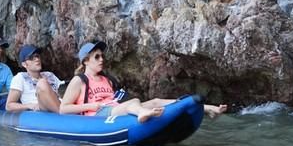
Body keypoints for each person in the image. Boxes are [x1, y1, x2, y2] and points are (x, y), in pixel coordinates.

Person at [60, 41, 228, 122]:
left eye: (102, 56)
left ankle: (207, 108)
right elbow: (63, 109)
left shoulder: (107, 79)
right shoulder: (79, 81)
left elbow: (116, 100)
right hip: (98, 115)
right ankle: (141, 113)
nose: (102, 59)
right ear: (86, 61)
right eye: (97, 57)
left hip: (114, 109)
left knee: (156, 101)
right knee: (134, 102)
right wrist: (92, 106)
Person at [5, 45, 62, 113]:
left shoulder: (49, 75)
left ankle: (64, 112)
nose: (37, 59)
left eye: (37, 56)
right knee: (42, 83)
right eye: (31, 58)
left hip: (59, 104)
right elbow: (9, 106)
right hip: (41, 111)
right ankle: (62, 114)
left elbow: (61, 93)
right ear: (24, 64)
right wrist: (29, 106)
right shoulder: (20, 78)